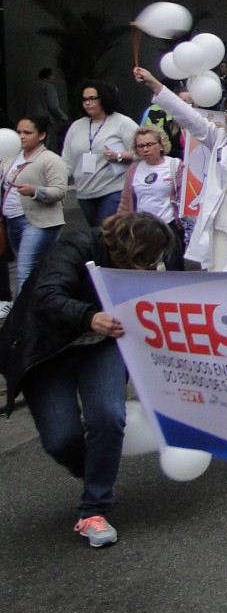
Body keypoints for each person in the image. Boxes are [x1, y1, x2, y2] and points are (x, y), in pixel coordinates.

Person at [0, 213, 174, 548]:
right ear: (131, 249)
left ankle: (94, 509)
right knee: (60, 440)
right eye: (147, 261)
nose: (151, 268)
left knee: (108, 416)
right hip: (47, 350)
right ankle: (94, 470)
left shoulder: (140, 265)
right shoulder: (77, 246)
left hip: (100, 348)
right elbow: (46, 295)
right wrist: (89, 317)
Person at [135, 67, 227, 270]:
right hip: (222, 227)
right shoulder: (220, 139)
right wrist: (153, 82)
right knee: (222, 277)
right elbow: (188, 116)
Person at [1, 117, 69, 298]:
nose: (21, 136)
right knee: (32, 269)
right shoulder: (10, 157)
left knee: (24, 271)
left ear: (42, 135)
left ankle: (21, 313)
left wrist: (35, 191)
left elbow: (60, 191)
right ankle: (43, 305)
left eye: (27, 132)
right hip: (12, 220)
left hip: (38, 222)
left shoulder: (50, 159)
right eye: (19, 132)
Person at [61, 81, 139, 228]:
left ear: (104, 99)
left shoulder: (122, 122)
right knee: (96, 233)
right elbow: (67, 160)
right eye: (84, 99)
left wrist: (120, 156)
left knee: (104, 231)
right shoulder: (77, 126)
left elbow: (142, 152)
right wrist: (57, 184)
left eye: (92, 98)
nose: (87, 103)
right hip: (84, 192)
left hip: (114, 189)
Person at [116, 125, 186, 273]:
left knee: (173, 268)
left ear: (161, 145)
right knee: (146, 269)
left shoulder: (175, 165)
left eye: (149, 144)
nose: (145, 149)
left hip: (169, 225)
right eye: (141, 146)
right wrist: (119, 224)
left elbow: (184, 197)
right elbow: (125, 199)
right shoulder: (133, 169)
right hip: (142, 227)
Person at [23, 69, 67, 149]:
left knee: (32, 142)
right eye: (53, 76)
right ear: (49, 76)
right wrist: (63, 117)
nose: (54, 78)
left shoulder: (31, 87)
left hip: (29, 119)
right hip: (43, 119)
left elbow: (25, 104)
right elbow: (53, 106)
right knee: (43, 144)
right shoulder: (49, 87)